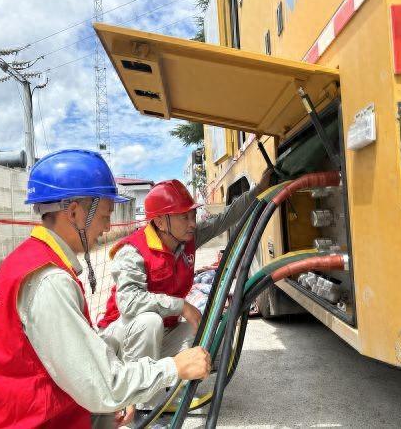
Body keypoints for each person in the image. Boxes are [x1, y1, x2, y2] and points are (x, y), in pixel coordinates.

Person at [0, 149, 211, 428]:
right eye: (105, 216)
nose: (108, 227)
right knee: (147, 328)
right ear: (74, 213)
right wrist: (174, 368)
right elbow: (101, 384)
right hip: (13, 420)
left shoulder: (29, 259)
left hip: (5, 412)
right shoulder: (49, 281)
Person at [97, 169, 271, 412]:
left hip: (158, 334)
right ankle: (141, 402)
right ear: (159, 222)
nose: (192, 223)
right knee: (149, 321)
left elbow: (226, 217)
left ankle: (163, 386)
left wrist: (259, 189)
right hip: (121, 341)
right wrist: (180, 305)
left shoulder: (186, 238)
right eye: (184, 217)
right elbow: (128, 302)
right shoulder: (133, 251)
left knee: (210, 338)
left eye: (192, 215)